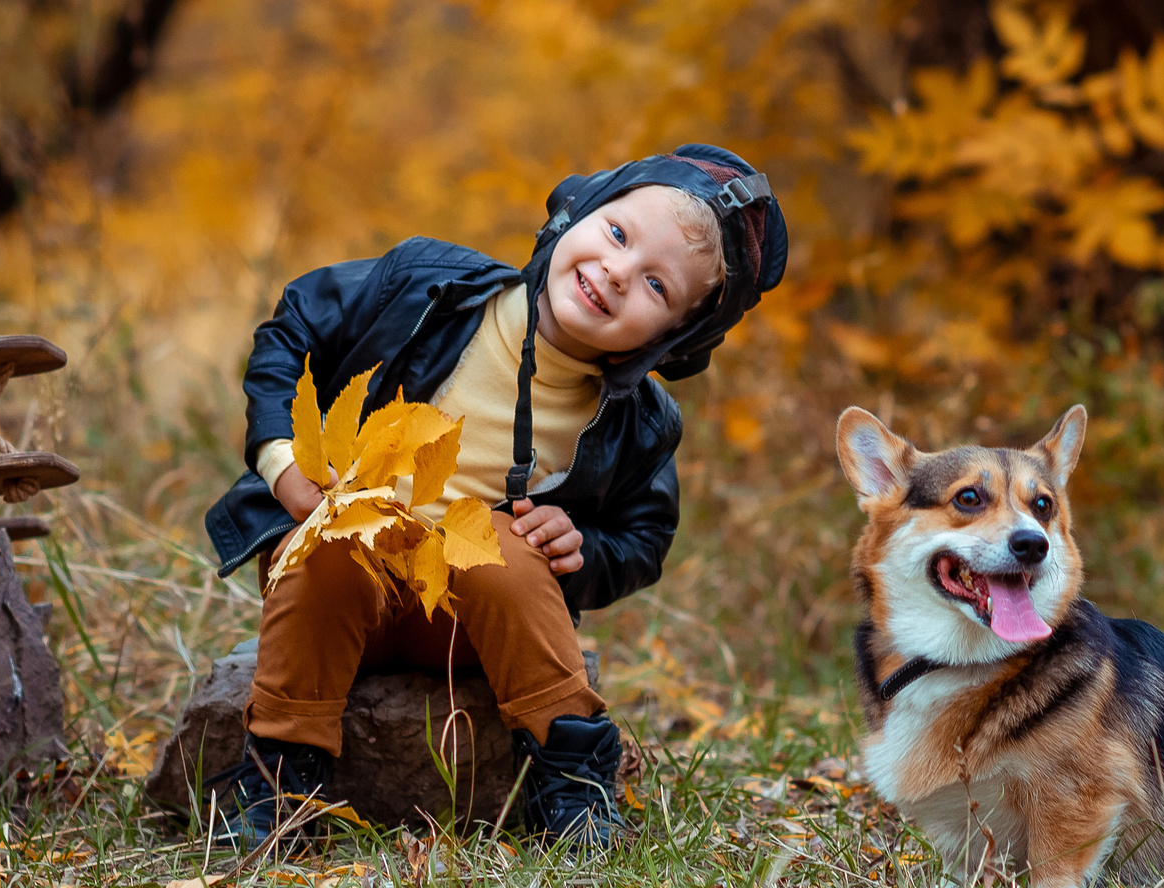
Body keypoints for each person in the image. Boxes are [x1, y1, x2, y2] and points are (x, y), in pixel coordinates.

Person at [203, 144, 788, 852]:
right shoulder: (427, 287)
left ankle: (572, 778)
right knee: (330, 545)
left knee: (507, 542)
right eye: (617, 233)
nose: (616, 272)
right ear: (578, 209)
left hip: (464, 626)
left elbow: (642, 537)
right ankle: (278, 778)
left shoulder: (640, 423)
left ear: (672, 341)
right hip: (341, 576)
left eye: (657, 287)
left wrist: (583, 548)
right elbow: (294, 324)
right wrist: (280, 459)